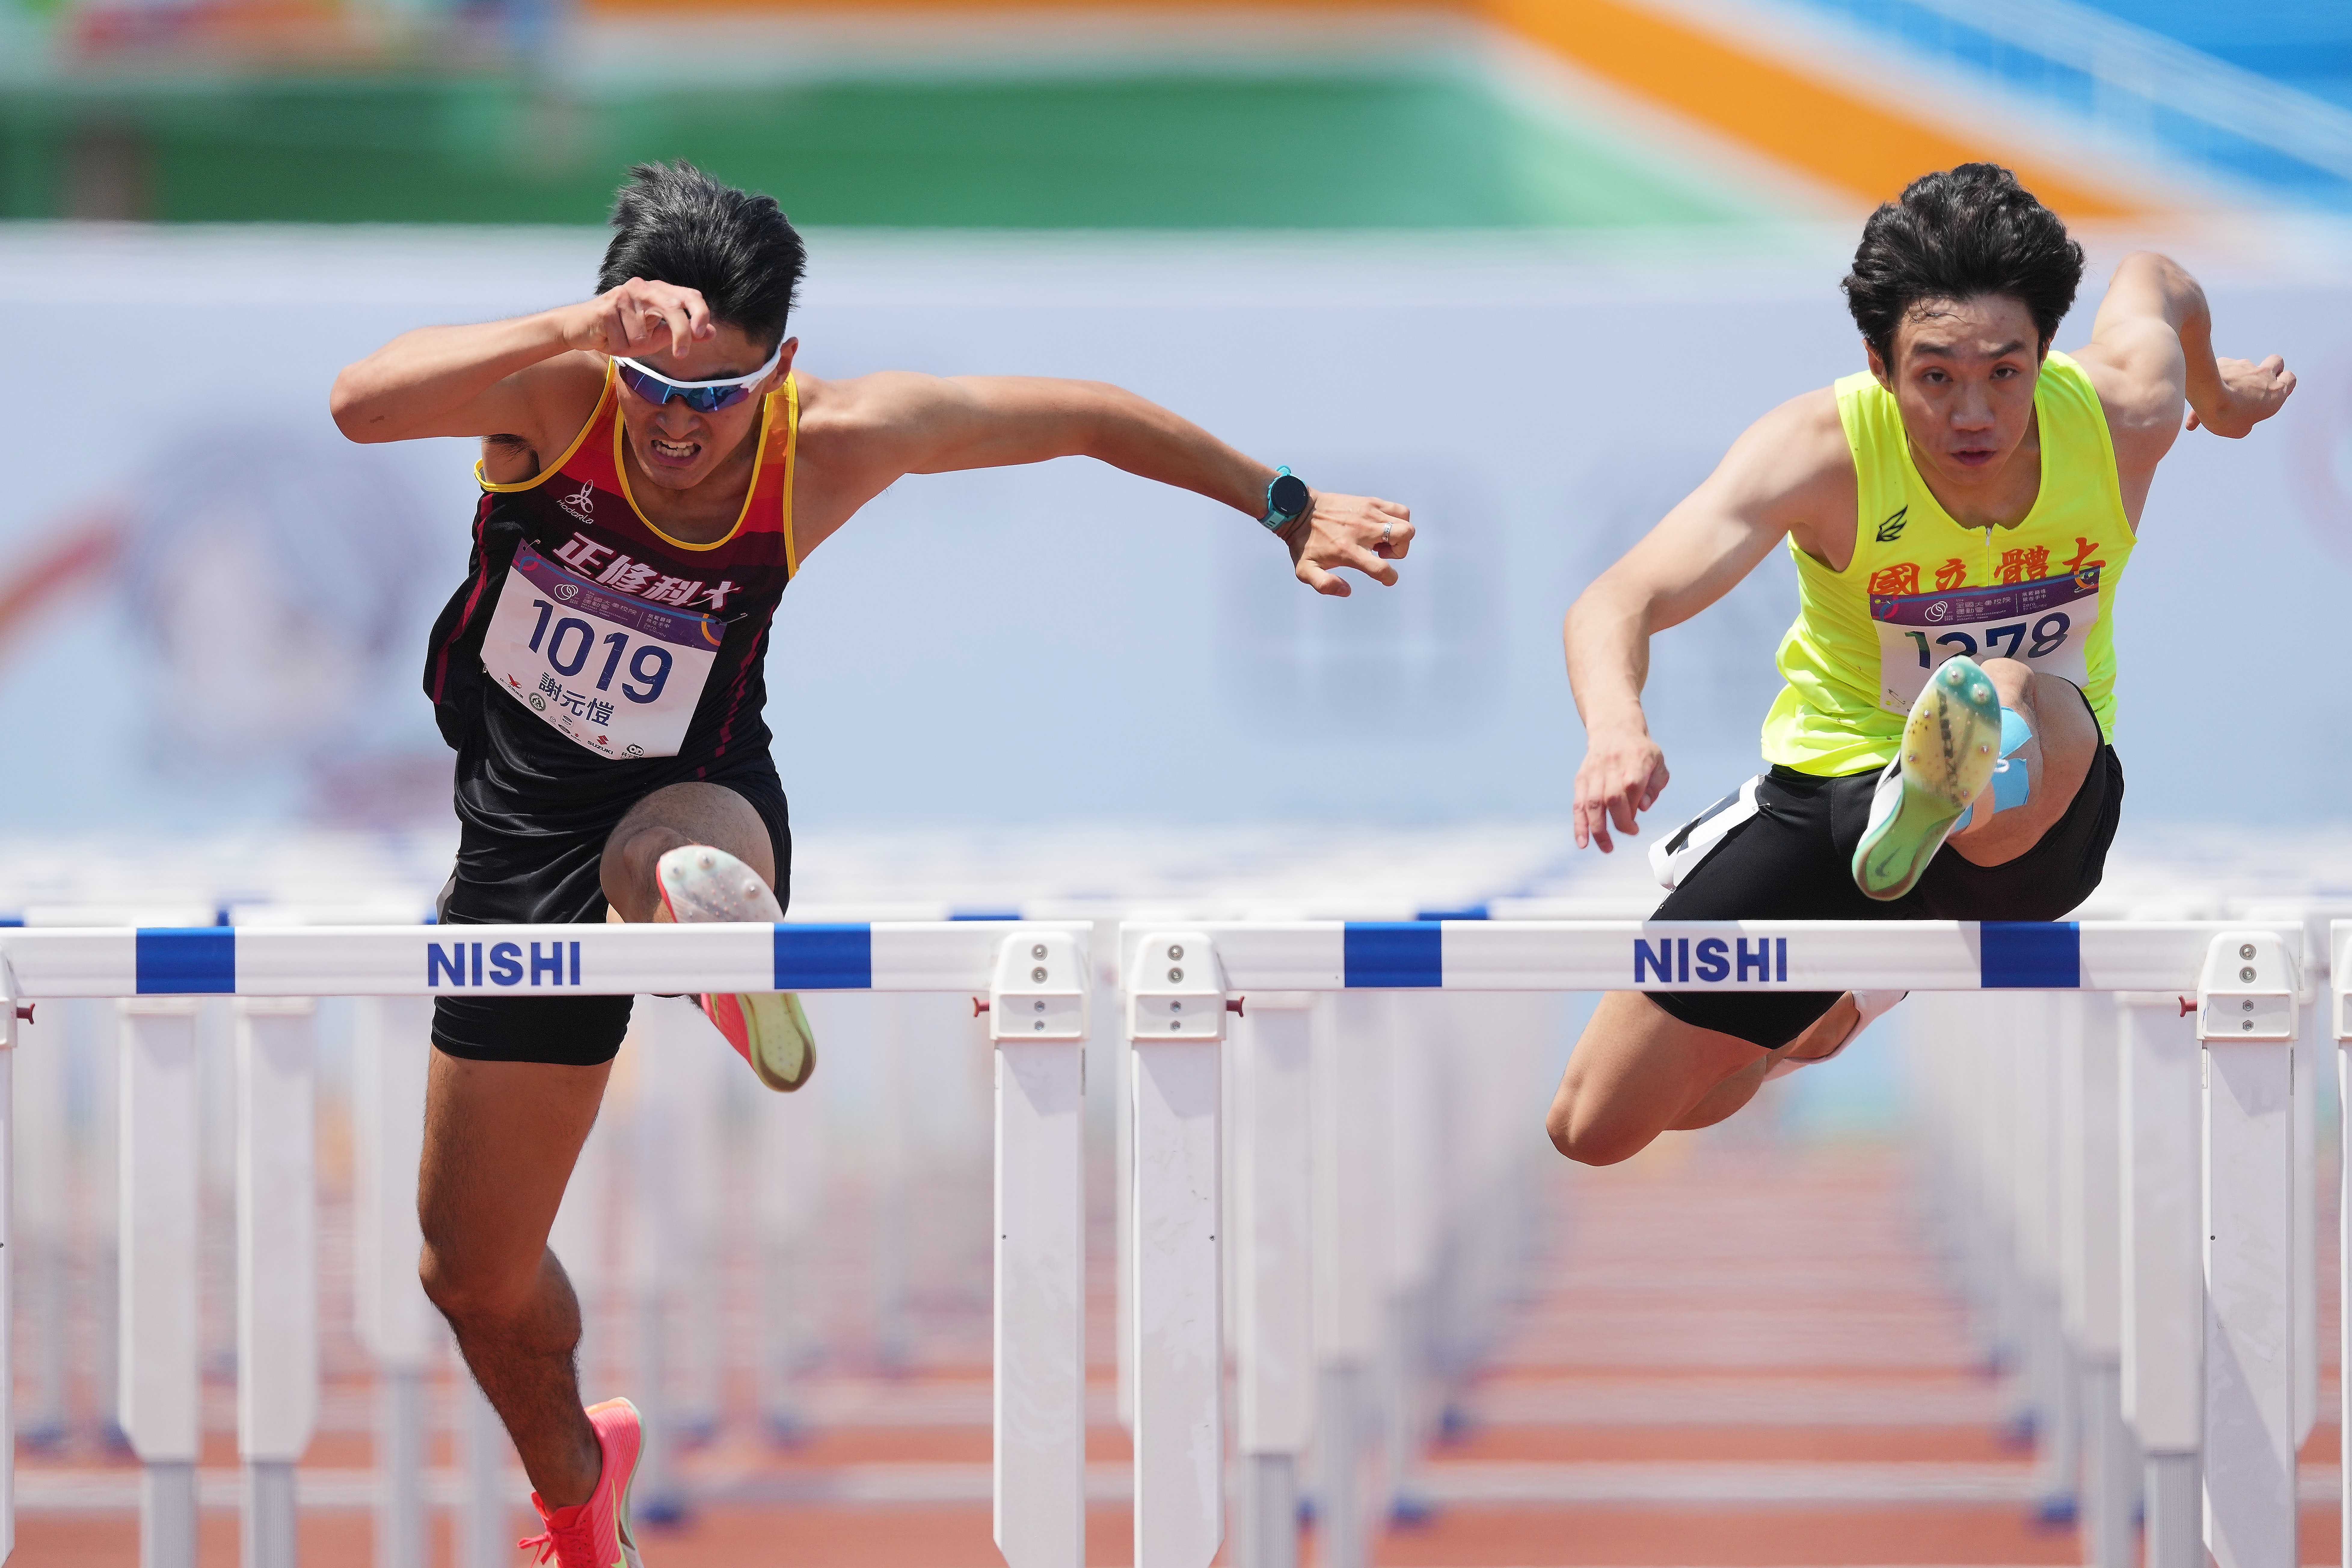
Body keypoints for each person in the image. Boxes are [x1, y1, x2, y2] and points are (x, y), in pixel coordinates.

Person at [329, 160, 1412, 1566]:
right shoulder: (561, 398)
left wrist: (1283, 501)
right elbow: (361, 404)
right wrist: (568, 335)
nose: (674, 427)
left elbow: (1085, 416)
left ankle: (709, 931)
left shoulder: (832, 439)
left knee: (667, 847)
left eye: (716, 397)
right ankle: (579, 1495)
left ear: (779, 369)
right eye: (656, 388)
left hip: (702, 798)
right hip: (514, 846)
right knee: (466, 1270)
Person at [1547, 163, 2292, 1168]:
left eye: (2005, 372)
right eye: (1936, 376)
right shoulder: (1818, 451)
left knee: (2013, 690)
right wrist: (1615, 728)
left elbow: (2159, 278)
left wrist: (2216, 391)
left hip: (2040, 810)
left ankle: (1955, 776)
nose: (1975, 413)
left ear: (2044, 353)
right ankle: (1823, 1010)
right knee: (1595, 1125)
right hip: (1836, 797)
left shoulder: (2124, 412)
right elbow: (1619, 599)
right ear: (1880, 362)